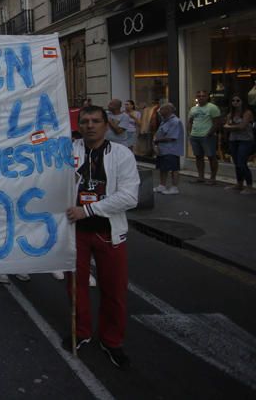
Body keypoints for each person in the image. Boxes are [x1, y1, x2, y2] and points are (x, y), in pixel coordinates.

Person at [66, 106, 139, 369]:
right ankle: (82, 332)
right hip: (75, 232)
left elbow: (130, 197)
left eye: (95, 121)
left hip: (109, 232)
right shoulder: (69, 150)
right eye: (84, 121)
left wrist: (88, 210)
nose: (89, 126)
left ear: (106, 125)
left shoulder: (121, 155)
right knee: (76, 287)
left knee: (114, 290)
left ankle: (112, 340)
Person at [187, 90, 221, 185]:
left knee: (211, 157)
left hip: (207, 136)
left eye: (203, 96)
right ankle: (200, 176)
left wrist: (209, 133)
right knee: (198, 157)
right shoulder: (193, 109)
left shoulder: (212, 108)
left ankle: (213, 178)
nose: (201, 97)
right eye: (199, 96)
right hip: (195, 136)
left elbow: (217, 122)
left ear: (207, 97)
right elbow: (190, 121)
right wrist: (190, 133)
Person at [222, 94, 254, 194]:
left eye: (237, 100)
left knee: (242, 162)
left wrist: (230, 127)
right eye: (233, 101)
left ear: (242, 102)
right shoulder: (230, 114)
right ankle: (239, 184)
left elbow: (242, 126)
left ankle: (249, 186)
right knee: (236, 163)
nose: (235, 103)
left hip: (245, 140)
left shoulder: (247, 113)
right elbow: (226, 126)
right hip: (233, 140)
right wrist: (233, 127)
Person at [152, 103, 184, 195]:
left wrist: (157, 140)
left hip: (171, 149)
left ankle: (174, 187)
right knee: (163, 168)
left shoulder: (175, 121)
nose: (159, 111)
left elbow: (172, 137)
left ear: (168, 110)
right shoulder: (164, 121)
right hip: (163, 149)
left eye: (161, 109)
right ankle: (162, 185)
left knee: (173, 168)